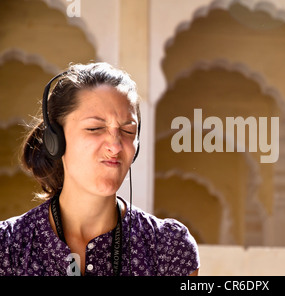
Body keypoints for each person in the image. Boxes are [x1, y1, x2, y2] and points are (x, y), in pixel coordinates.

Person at [0, 62, 200, 276]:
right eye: (95, 128)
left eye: (128, 130)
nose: (115, 146)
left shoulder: (168, 247)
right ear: (55, 140)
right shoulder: (8, 247)